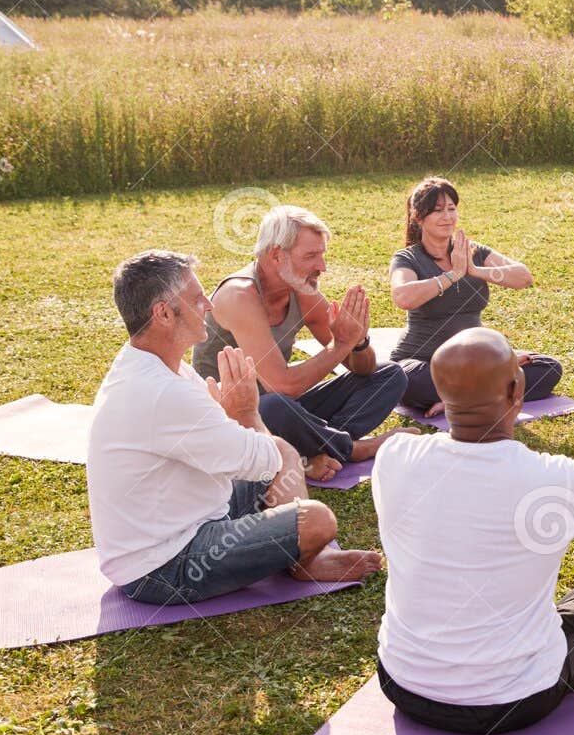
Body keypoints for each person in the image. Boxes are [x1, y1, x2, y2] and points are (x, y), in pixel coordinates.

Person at [372, 327, 574, 735]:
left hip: (401, 683)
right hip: (512, 701)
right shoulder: (556, 479)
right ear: (516, 391)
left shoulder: (395, 456)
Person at [88, 250, 383, 604]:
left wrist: (235, 418)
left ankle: (303, 556)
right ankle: (304, 559)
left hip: (193, 517)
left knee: (284, 452)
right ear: (163, 313)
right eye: (197, 298)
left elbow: (236, 446)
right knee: (315, 519)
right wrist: (245, 413)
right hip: (163, 568)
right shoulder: (161, 390)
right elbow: (262, 458)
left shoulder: (150, 363)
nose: (209, 306)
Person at [190, 204, 412, 481]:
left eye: (321, 255)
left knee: (390, 375)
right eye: (311, 256)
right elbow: (283, 384)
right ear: (275, 256)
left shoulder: (301, 288)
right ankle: (352, 448)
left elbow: (363, 370)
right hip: (232, 419)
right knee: (274, 404)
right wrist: (341, 344)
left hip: (285, 409)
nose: (322, 267)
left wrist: (358, 341)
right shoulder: (239, 296)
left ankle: (320, 446)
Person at [388, 175, 563, 417]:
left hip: (473, 362)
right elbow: (403, 296)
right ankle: (486, 395)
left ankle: (456, 401)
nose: (447, 217)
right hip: (423, 361)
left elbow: (523, 276)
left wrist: (475, 270)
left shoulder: (472, 252)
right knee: (404, 380)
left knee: (548, 368)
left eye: (451, 209)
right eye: (438, 210)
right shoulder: (408, 258)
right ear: (419, 217)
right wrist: (452, 275)